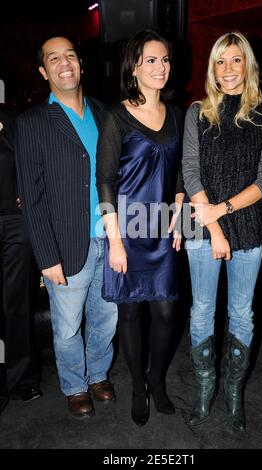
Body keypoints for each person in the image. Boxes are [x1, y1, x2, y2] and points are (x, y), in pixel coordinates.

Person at [182, 31, 262, 432]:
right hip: (204, 227)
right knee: (202, 311)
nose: (227, 70)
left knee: (241, 313)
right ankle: (205, 389)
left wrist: (223, 212)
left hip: (248, 223)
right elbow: (190, 171)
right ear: (212, 68)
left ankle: (234, 393)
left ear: (248, 66)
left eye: (235, 60)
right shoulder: (196, 112)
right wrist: (215, 226)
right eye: (220, 61)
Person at [15, 37, 117, 419]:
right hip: (66, 243)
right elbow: (32, 196)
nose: (64, 63)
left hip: (110, 238)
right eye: (53, 58)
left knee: (107, 317)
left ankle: (98, 375)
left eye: (70, 55)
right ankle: (75, 384)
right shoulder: (32, 123)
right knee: (68, 325)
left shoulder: (106, 113)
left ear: (81, 64)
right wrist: (46, 257)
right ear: (44, 72)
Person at [97, 30, 184, 426]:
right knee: (130, 314)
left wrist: (179, 218)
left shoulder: (177, 113)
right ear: (135, 67)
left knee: (166, 311)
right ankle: (137, 385)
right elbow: (105, 181)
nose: (161, 67)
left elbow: (181, 172)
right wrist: (114, 241)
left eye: (164, 59)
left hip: (163, 229)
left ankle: (157, 380)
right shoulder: (116, 116)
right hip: (127, 229)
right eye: (152, 60)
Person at [0, 105, 41, 415]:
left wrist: (30, 191)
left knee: (18, 301)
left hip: (16, 222)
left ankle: (21, 378)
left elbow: (36, 161)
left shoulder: (13, 119)